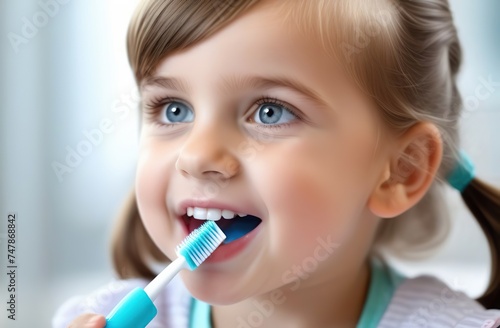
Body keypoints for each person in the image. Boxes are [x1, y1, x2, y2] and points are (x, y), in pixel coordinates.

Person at [53, 0, 500, 327]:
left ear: (402, 170)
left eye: (271, 111)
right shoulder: (101, 319)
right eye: (174, 109)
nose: (197, 155)